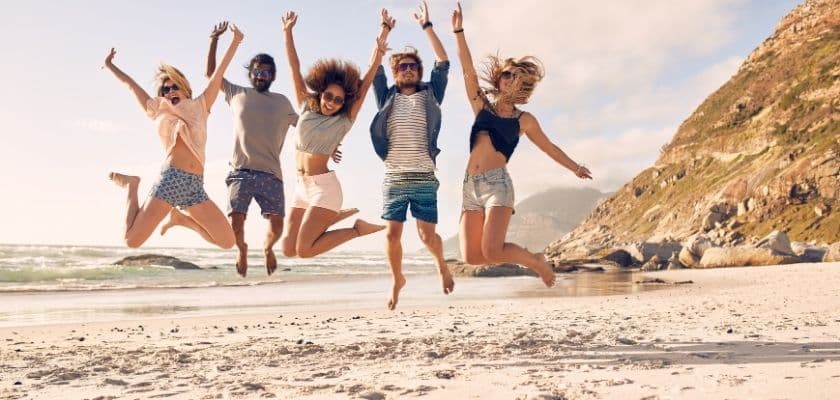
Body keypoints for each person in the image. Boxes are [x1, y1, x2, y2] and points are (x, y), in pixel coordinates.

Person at [451, 3, 593, 287]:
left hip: (497, 185)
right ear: (499, 79)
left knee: (492, 251)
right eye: (506, 74)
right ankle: (534, 258)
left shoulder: (524, 120)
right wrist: (459, 31)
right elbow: (467, 70)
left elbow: (550, 148)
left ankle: (535, 261)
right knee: (472, 257)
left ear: (522, 83)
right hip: (470, 186)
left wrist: (575, 167)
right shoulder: (481, 108)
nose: (509, 78)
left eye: (515, 75)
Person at [206, 22, 347, 277]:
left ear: (273, 77)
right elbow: (211, 75)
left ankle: (268, 248)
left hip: (271, 173)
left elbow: (310, 127)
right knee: (235, 220)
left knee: (277, 226)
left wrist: (332, 144)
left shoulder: (282, 103)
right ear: (251, 73)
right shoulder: (236, 93)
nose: (261, 75)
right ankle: (241, 249)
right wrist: (215, 40)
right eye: (258, 71)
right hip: (240, 172)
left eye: (267, 72)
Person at [104, 25, 245, 249]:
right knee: (131, 241)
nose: (170, 92)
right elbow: (131, 86)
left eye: (174, 87)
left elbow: (218, 73)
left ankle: (181, 220)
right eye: (165, 90)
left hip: (195, 186)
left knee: (228, 241)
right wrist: (110, 65)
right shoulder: (159, 110)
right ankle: (132, 185)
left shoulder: (200, 105)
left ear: (185, 88)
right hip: (170, 180)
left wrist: (236, 41)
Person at [279, 10, 388, 259]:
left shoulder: (343, 122)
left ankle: (357, 230)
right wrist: (287, 32)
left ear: (344, 103)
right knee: (287, 250)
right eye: (328, 96)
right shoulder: (306, 105)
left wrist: (382, 37)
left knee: (304, 250)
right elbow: (293, 67)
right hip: (301, 187)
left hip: (324, 189)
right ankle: (330, 217)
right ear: (320, 93)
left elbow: (368, 78)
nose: (332, 102)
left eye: (338, 100)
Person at [370, 3, 454, 310]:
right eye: (402, 67)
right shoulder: (385, 96)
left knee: (426, 237)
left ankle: (441, 264)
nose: (408, 70)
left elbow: (443, 61)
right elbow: (373, 67)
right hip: (393, 176)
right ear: (396, 73)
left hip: (423, 177)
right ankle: (397, 279)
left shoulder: (431, 94)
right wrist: (384, 31)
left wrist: (427, 26)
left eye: (412, 66)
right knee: (392, 235)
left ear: (419, 72)